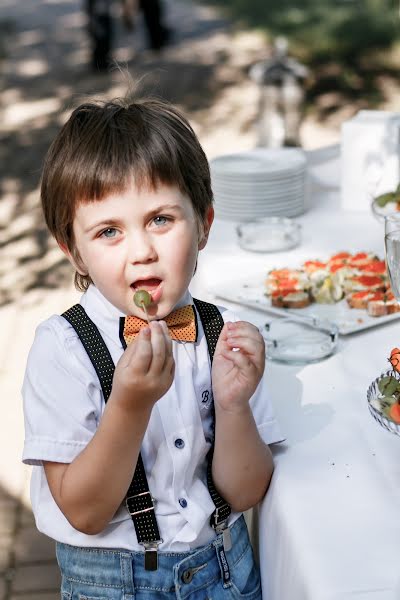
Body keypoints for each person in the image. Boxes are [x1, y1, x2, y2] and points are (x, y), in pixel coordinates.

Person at [22, 94, 283, 599]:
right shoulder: (63, 351)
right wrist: (129, 404)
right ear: (73, 250)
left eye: (161, 219)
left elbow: (246, 491)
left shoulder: (221, 334)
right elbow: (85, 511)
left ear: (204, 223)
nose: (142, 251)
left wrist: (233, 407)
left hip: (225, 571)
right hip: (114, 584)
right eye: (109, 232)